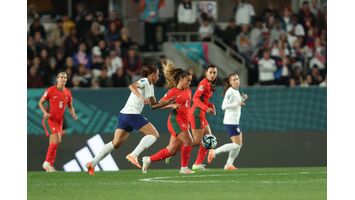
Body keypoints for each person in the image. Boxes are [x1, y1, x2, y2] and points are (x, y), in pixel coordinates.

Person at [85, 65, 174, 175]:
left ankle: (92, 163)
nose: (158, 77)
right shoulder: (145, 81)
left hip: (124, 115)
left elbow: (154, 105)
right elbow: (132, 86)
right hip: (132, 114)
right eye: (156, 75)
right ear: (151, 75)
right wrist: (141, 97)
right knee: (154, 134)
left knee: (116, 143)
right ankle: (134, 155)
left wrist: (168, 103)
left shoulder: (150, 87)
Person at [142, 60, 194, 174]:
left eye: (190, 81)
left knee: (171, 150)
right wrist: (171, 105)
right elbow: (158, 105)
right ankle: (184, 168)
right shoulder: (172, 92)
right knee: (189, 141)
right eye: (187, 80)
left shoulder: (188, 90)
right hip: (175, 120)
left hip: (184, 121)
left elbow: (186, 106)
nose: (189, 83)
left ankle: (148, 159)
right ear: (181, 79)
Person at [38, 72, 78, 172]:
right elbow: (40, 102)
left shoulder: (68, 92)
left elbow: (70, 105)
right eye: (61, 77)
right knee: (57, 141)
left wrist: (73, 114)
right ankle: (46, 162)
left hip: (59, 122)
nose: (63, 79)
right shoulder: (51, 90)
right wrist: (44, 113)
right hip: (49, 120)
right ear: (57, 79)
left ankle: (50, 166)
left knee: (54, 143)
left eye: (65, 77)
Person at [207, 73, 247, 170]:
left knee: (239, 144)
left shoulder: (236, 91)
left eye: (237, 79)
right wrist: (237, 103)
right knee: (237, 144)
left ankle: (229, 164)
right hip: (230, 121)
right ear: (230, 82)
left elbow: (235, 104)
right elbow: (223, 106)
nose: (237, 81)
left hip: (234, 121)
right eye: (234, 79)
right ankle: (214, 152)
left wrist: (242, 100)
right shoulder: (230, 91)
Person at [189, 65, 218, 171]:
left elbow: (204, 100)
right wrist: (206, 108)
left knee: (209, 139)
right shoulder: (204, 83)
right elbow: (195, 98)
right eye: (210, 72)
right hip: (196, 114)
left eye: (214, 72)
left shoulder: (211, 84)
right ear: (206, 73)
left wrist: (210, 105)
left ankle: (197, 164)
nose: (212, 74)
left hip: (201, 114)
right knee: (197, 141)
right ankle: (173, 150)